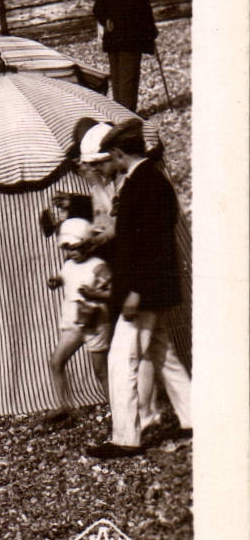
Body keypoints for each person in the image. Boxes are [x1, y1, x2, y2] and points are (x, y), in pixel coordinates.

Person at [79, 121, 192, 459]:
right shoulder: (143, 181)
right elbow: (138, 235)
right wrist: (110, 237)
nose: (102, 170)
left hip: (143, 289)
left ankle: (126, 438)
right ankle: (193, 415)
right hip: (149, 287)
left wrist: (137, 292)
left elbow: (153, 245)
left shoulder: (144, 185)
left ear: (117, 153)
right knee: (161, 353)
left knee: (122, 359)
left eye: (103, 163)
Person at [37, 216, 112, 429]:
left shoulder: (99, 266)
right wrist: (56, 281)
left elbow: (112, 291)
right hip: (73, 319)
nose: (72, 254)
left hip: (95, 320)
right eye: (68, 250)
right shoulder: (69, 264)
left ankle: (119, 411)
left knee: (101, 371)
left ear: (88, 245)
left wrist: (96, 292)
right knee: (56, 362)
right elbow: (66, 277)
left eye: (77, 249)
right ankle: (63, 406)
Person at [85, 0, 158, 111]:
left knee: (117, 78)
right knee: (128, 79)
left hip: (113, 37)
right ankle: (128, 115)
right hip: (130, 38)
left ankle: (119, 114)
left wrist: (106, 21)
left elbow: (97, 8)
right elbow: (144, 12)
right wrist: (152, 32)